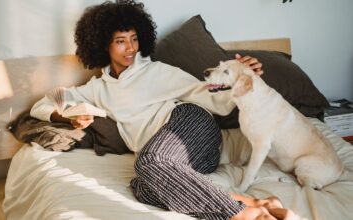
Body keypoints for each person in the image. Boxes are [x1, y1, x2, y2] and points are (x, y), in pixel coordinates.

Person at [30, 0, 300, 219]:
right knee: (144, 187)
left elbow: (212, 99)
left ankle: (244, 216)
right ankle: (255, 203)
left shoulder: (157, 72)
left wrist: (244, 79)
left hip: (192, 126)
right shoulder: (95, 89)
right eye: (121, 41)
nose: (131, 48)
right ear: (103, 44)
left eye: (134, 39)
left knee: (147, 163)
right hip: (175, 165)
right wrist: (64, 114)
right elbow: (43, 105)